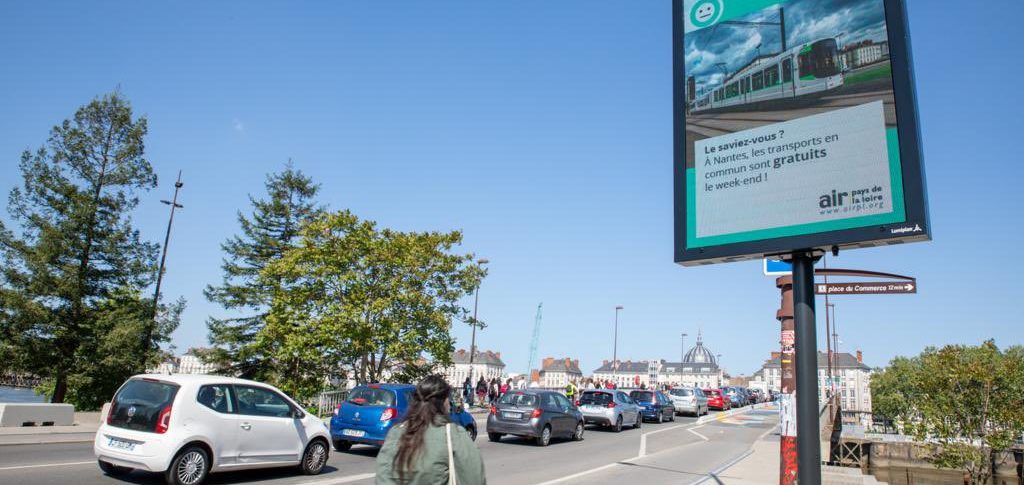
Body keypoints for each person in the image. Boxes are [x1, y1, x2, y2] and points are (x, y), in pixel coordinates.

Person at [376, 375, 486, 485]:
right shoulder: (453, 435)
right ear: (444, 402)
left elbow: (383, 477)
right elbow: (474, 479)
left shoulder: (396, 432)